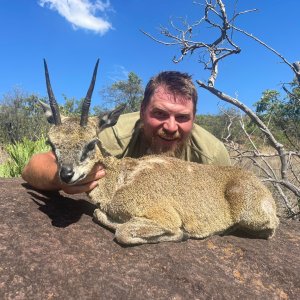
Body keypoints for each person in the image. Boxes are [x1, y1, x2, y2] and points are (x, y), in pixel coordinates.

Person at [22, 71, 231, 194]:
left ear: (194, 117)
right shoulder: (112, 136)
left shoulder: (212, 153)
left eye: (182, 117)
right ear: (142, 111)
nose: (170, 127)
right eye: (159, 113)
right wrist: (61, 178)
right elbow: (32, 168)